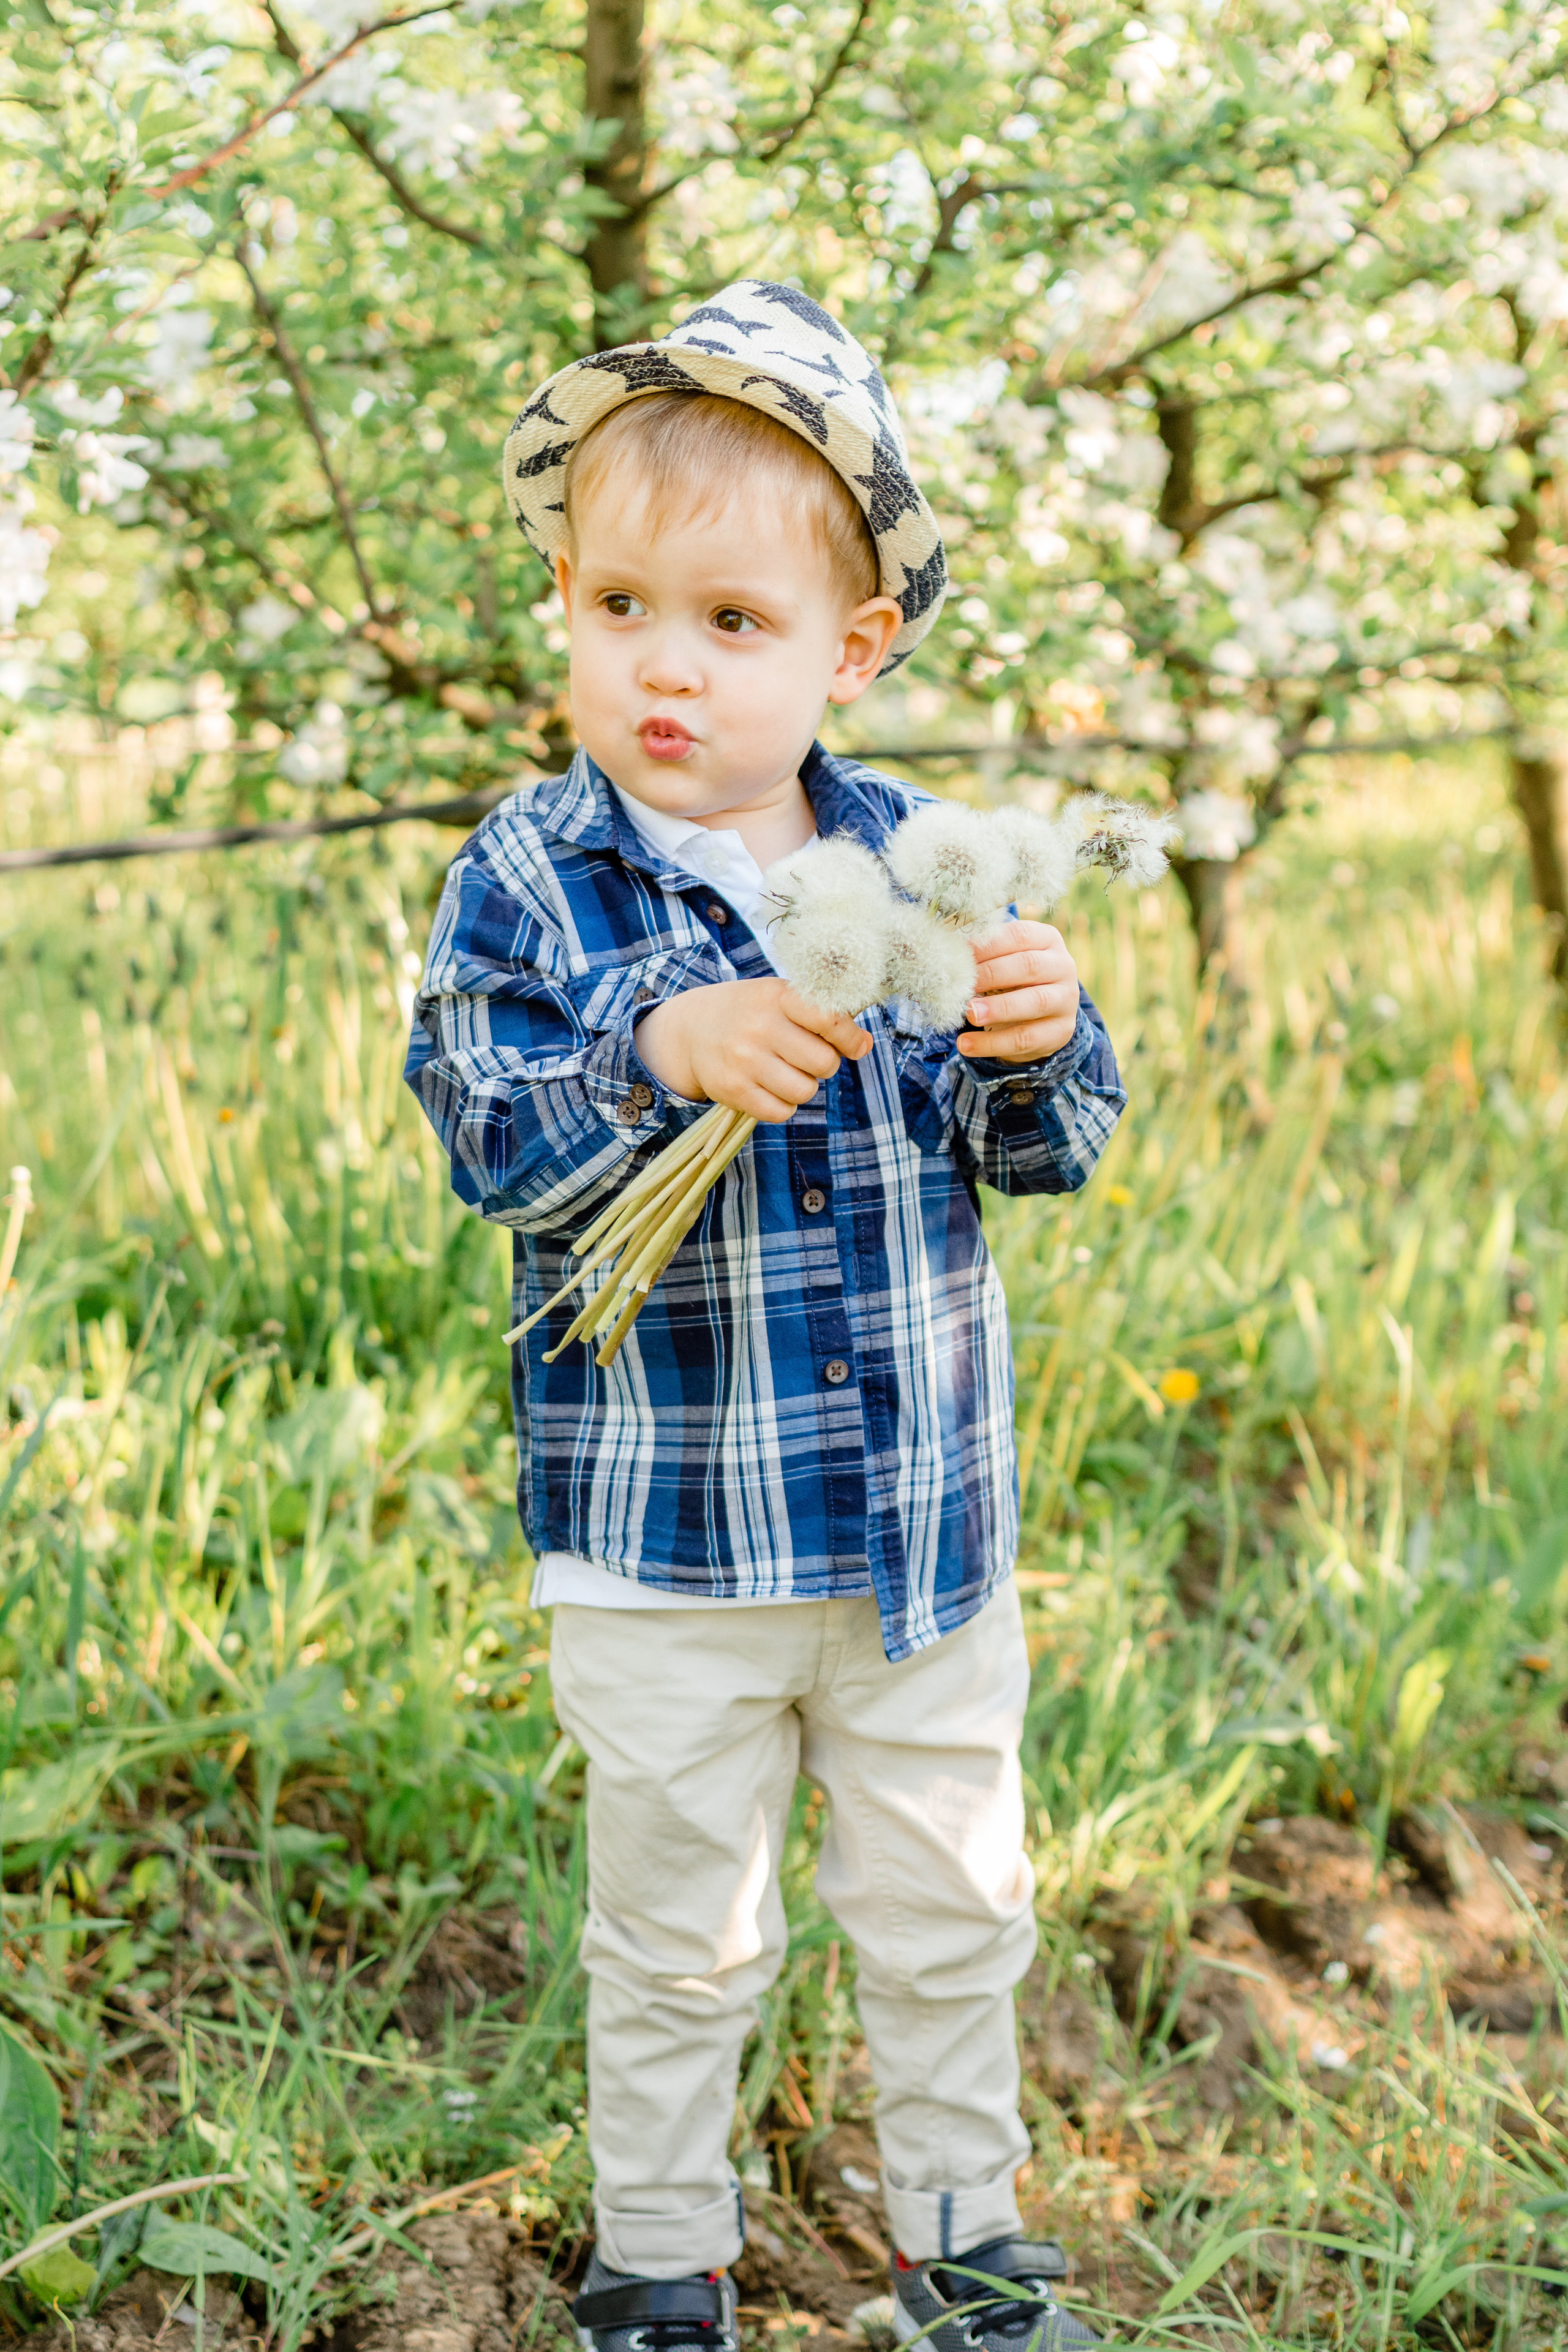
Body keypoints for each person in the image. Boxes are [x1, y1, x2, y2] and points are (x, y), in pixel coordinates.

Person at [405, 280, 1127, 2352]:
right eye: (621, 605)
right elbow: (483, 1135)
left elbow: (1044, 1150)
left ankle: (967, 2244)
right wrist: (655, 1050)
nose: (667, 664)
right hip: (668, 1549)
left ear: (852, 650)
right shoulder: (533, 877)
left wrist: (1040, 1041)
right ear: (562, 602)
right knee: (678, 1933)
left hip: (920, 1540)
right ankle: (661, 2258)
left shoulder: (926, 862)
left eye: (734, 623)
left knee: (951, 1907)